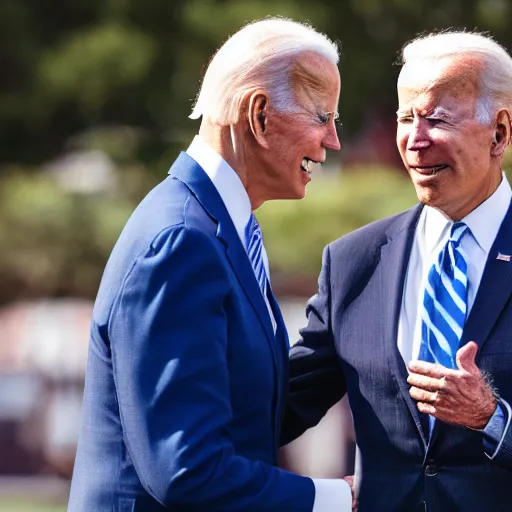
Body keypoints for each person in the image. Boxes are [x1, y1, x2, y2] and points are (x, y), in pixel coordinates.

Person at [68, 17, 355, 511]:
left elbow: (250, 408)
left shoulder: (218, 225)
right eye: (322, 117)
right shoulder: (181, 241)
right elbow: (187, 470)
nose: (332, 141)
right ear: (259, 115)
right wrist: (337, 499)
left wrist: (351, 336)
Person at [281, 30, 512, 512]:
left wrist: (491, 418)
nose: (415, 139)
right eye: (406, 117)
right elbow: (281, 408)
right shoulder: (353, 262)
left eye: (437, 119)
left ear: (500, 132)